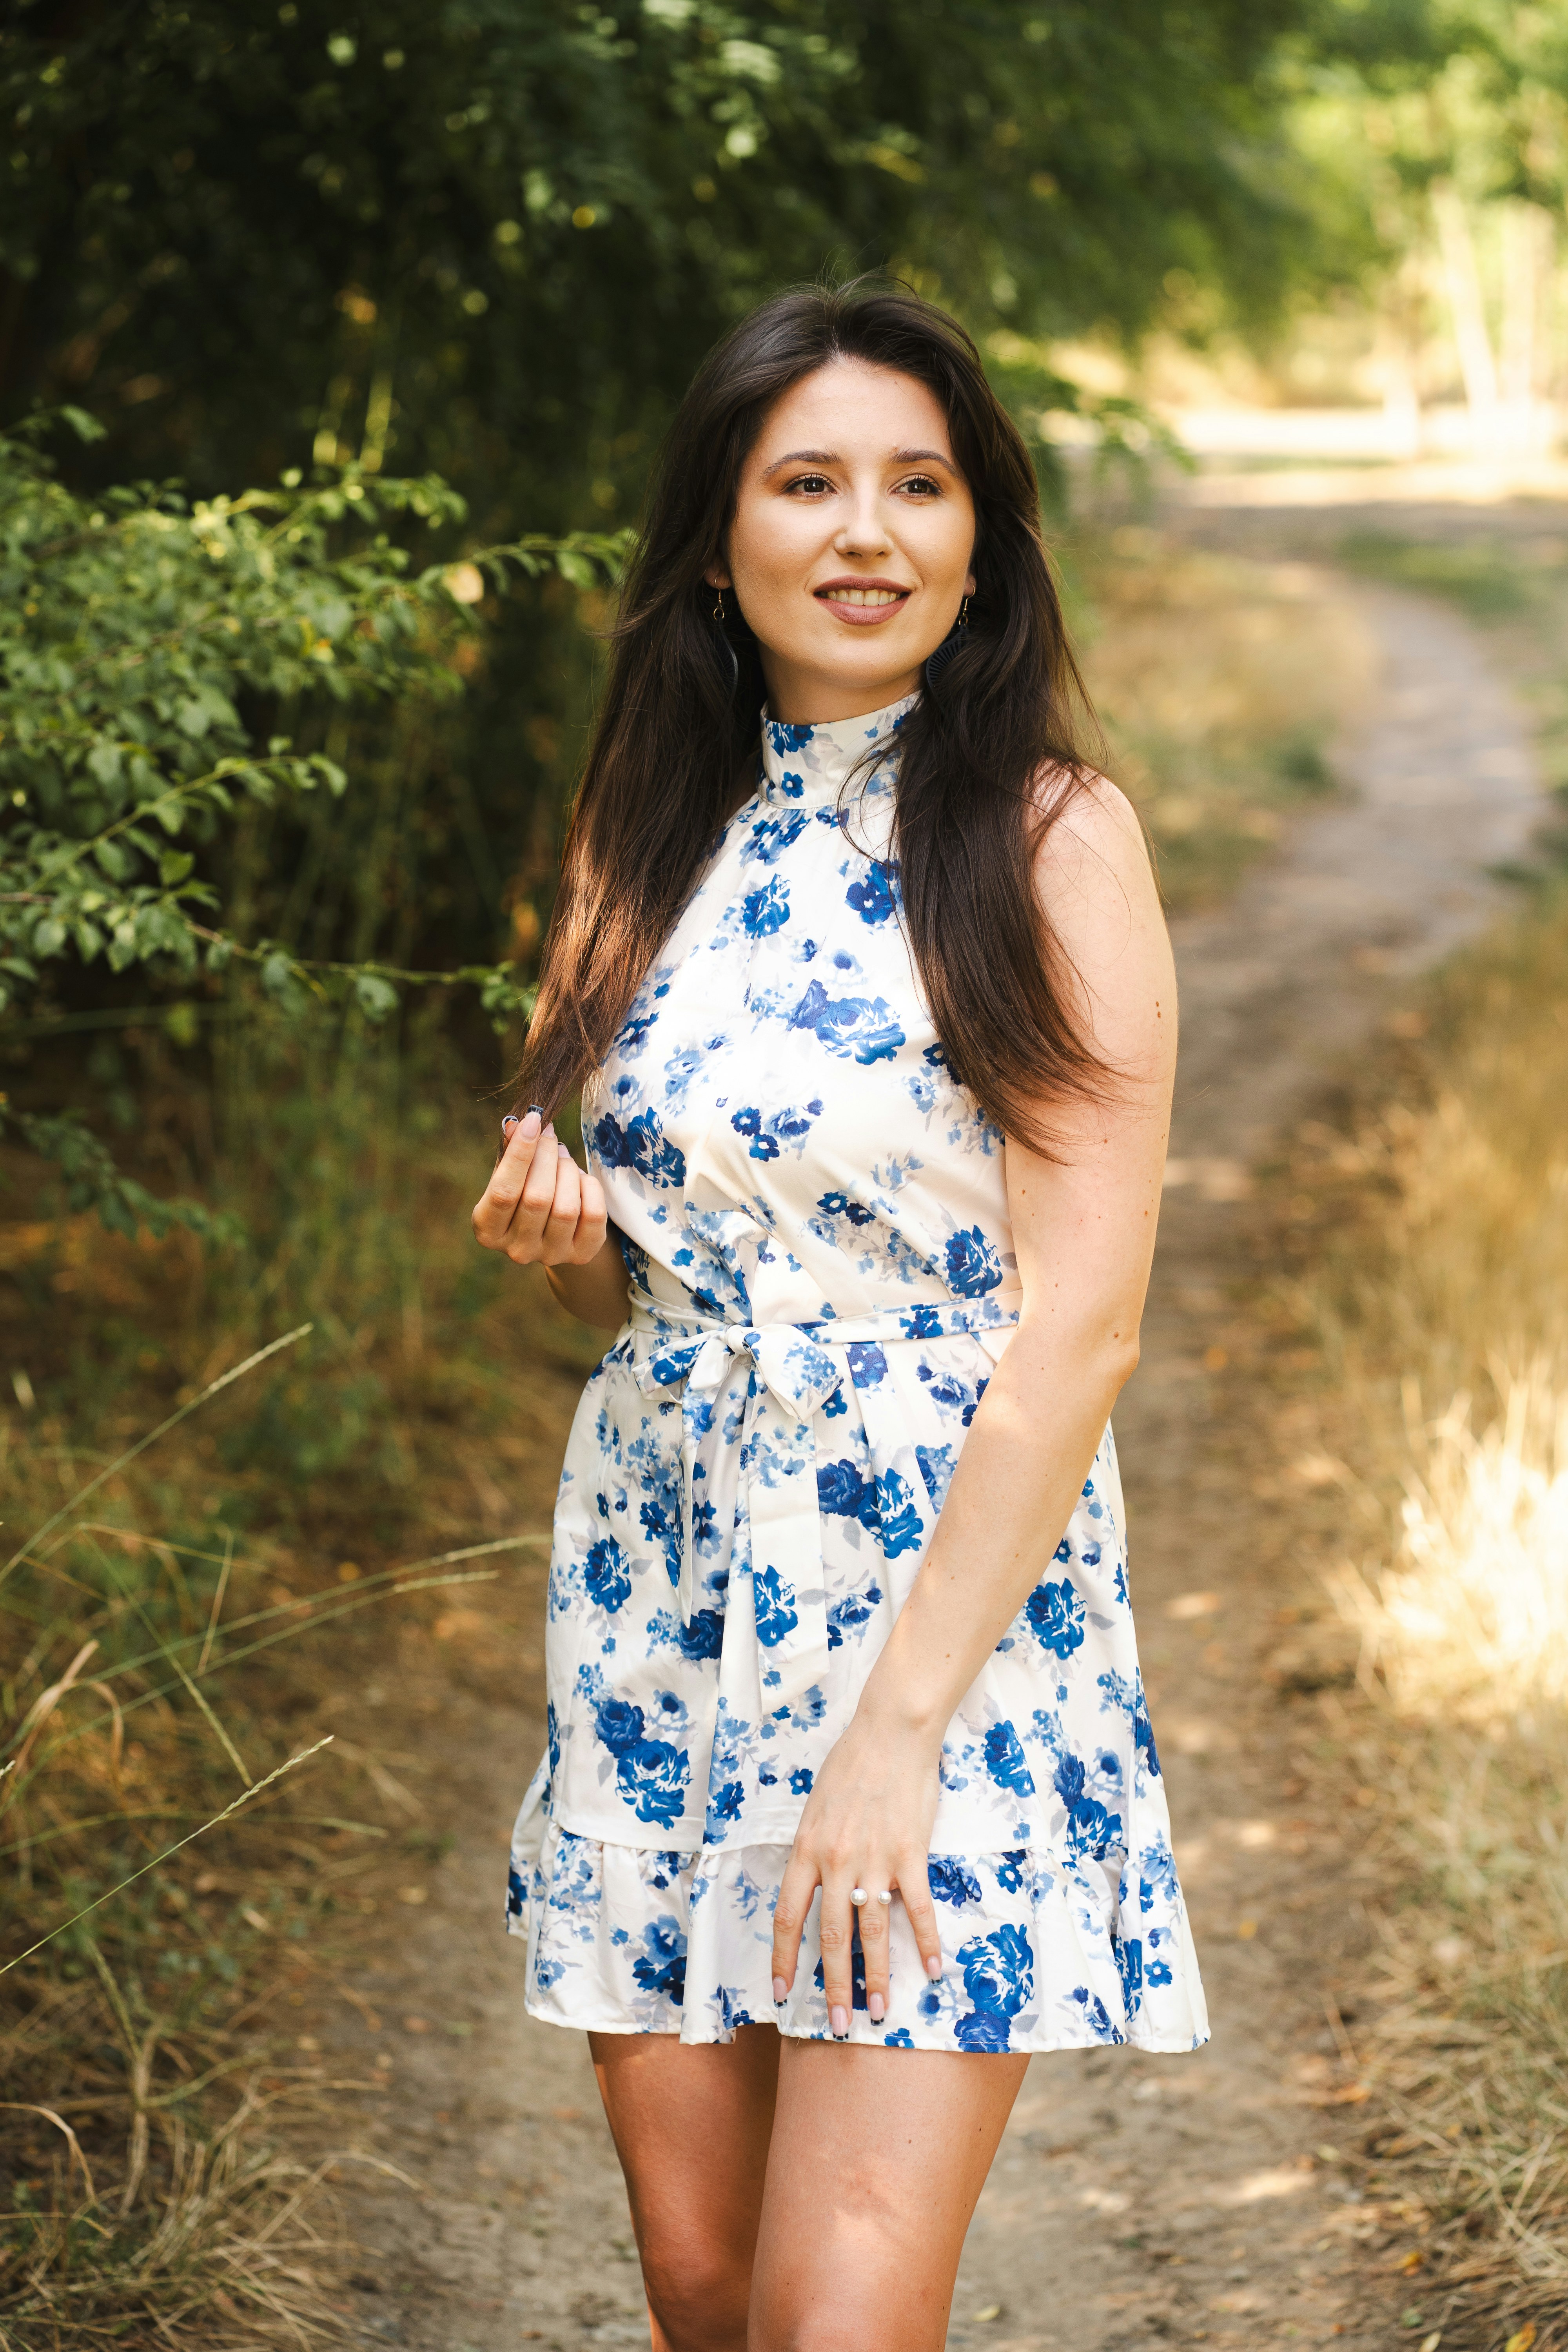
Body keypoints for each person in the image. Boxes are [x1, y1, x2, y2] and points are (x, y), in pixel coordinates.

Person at [471, 280, 1207, 2352]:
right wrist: (560, 1214)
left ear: (982, 540)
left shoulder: (1054, 841)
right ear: (720, 537)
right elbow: (643, 1200)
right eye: (809, 482)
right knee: (708, 2300)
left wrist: (893, 1739)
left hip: (943, 1638)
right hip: (658, 1607)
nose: (868, 529)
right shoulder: (641, 835)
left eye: (922, 482)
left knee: (832, 2326)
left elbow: (1082, 1329)